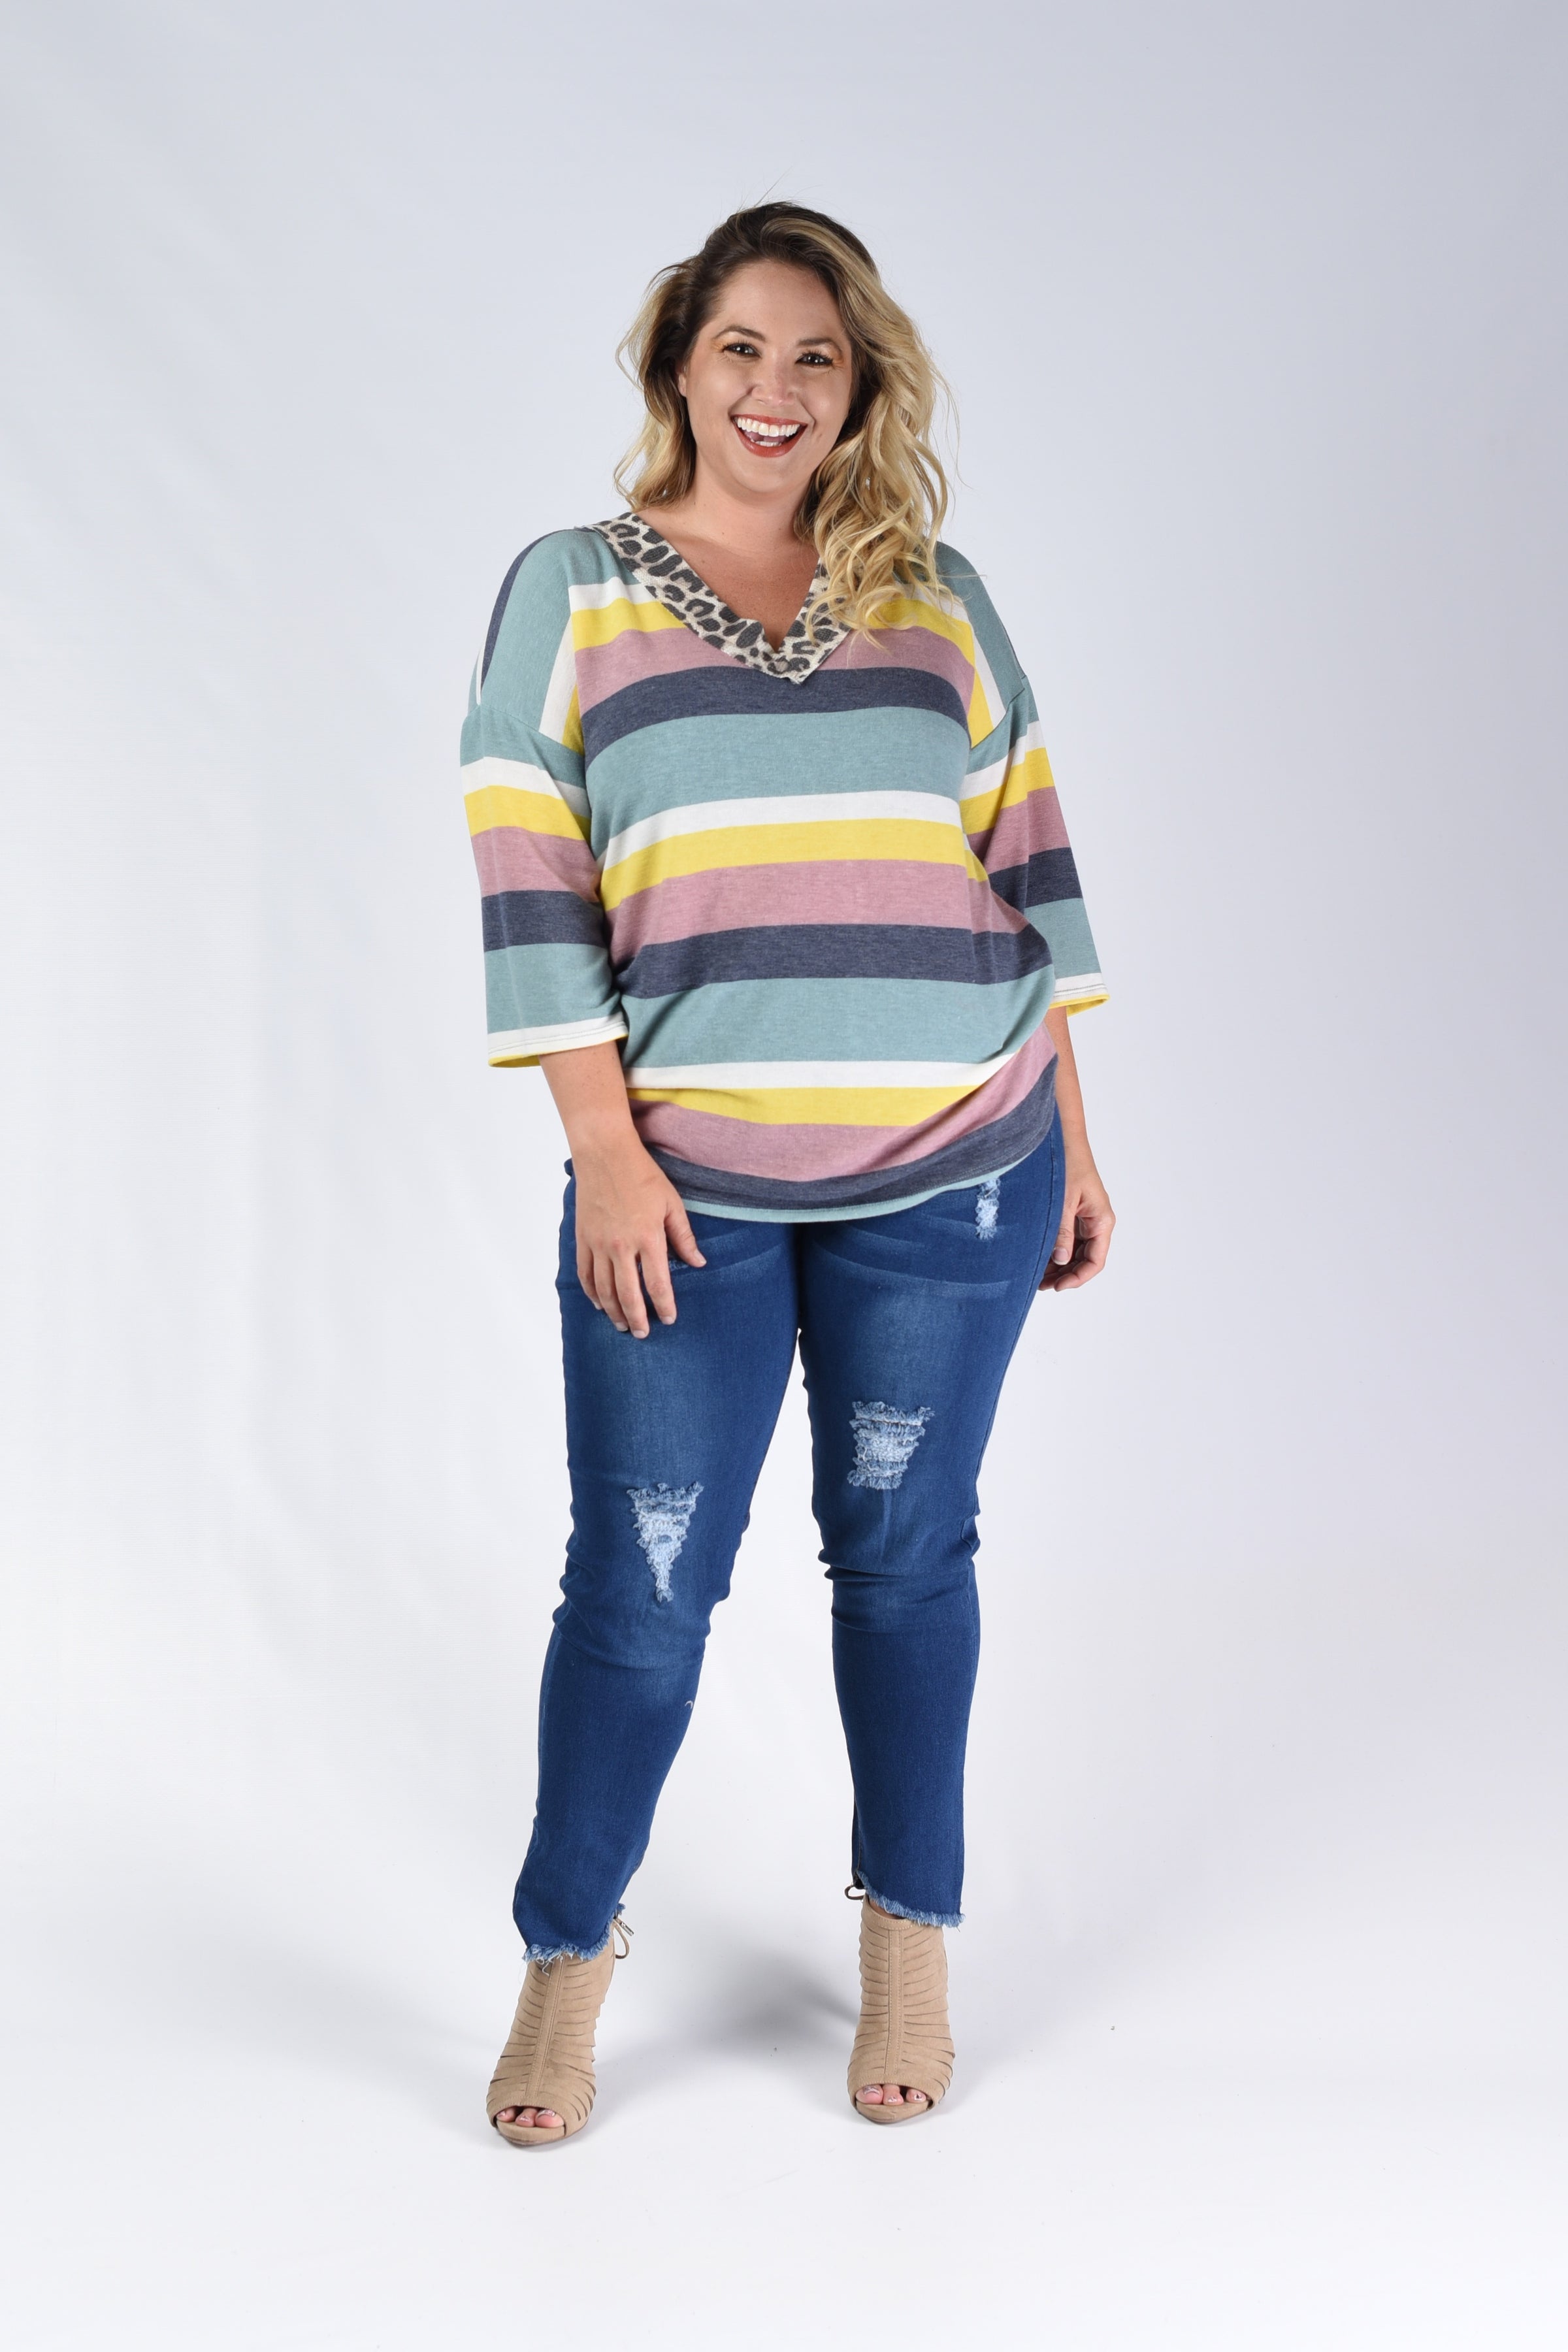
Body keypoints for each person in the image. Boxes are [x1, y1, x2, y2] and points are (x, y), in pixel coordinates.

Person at [462, 203, 1113, 2144]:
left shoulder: (937, 593)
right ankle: (565, 1960)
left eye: (816, 357)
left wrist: (1077, 1140)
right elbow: (529, 873)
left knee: (909, 1561)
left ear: (860, 386)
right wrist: (602, 1151)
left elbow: (1028, 870)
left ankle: (909, 1941)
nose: (776, 388)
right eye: (742, 348)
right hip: (685, 1188)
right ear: (681, 363)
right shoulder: (574, 591)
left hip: (960, 1168)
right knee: (643, 1587)